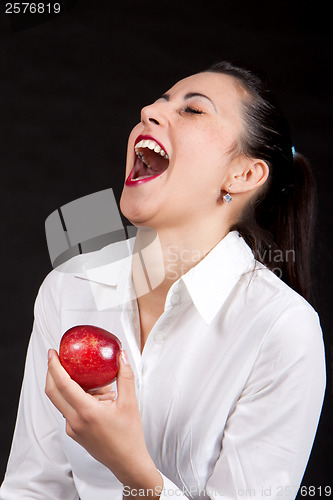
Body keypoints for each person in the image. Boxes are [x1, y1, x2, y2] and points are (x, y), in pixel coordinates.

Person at [0, 61, 326, 500]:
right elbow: (33, 488)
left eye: (193, 111)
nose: (148, 111)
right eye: (159, 101)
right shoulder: (70, 286)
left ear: (244, 175)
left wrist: (134, 470)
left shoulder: (282, 329)